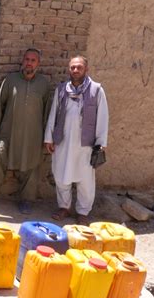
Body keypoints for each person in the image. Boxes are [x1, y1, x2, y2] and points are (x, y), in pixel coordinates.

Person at [44, 55, 109, 225]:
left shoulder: (96, 90)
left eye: (79, 67)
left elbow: (102, 117)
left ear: (86, 69)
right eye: (72, 67)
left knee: (85, 180)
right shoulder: (62, 90)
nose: (75, 70)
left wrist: (100, 143)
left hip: (86, 144)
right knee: (61, 175)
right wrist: (49, 138)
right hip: (63, 141)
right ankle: (64, 207)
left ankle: (83, 212)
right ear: (69, 69)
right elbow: (53, 113)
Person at [0, 48, 51, 214]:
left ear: (38, 63)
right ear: (23, 61)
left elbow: (48, 112)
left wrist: (48, 137)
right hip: (9, 131)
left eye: (33, 60)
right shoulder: (11, 79)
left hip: (33, 135)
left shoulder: (44, 83)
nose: (29, 63)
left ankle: (27, 200)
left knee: (32, 167)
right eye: (27, 59)